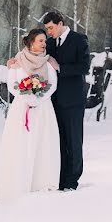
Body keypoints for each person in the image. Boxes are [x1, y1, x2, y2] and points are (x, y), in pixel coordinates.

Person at [0, 29, 60, 202]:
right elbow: (12, 84)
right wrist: (27, 97)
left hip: (43, 109)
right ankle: (18, 180)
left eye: (45, 41)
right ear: (31, 42)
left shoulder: (48, 62)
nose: (44, 44)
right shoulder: (17, 61)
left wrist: (38, 99)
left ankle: (40, 181)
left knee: (42, 141)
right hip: (21, 108)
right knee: (20, 142)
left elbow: (52, 85)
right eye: (40, 41)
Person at [42, 10, 90, 191]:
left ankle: (72, 180)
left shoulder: (79, 40)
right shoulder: (50, 43)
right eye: (47, 29)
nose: (49, 32)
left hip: (74, 101)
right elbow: (34, 53)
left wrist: (60, 67)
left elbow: (84, 67)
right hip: (54, 102)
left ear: (60, 23)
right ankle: (61, 179)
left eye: (51, 28)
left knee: (74, 141)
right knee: (59, 142)